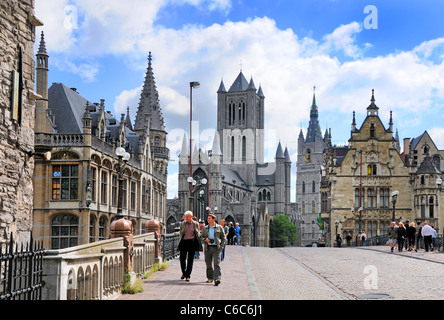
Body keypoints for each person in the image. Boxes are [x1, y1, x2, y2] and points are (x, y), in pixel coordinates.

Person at [201, 212, 226, 286]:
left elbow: (223, 238)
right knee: (208, 264)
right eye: (207, 218)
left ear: (214, 219)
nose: (208, 220)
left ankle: (217, 279)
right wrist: (205, 240)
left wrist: (221, 247)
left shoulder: (219, 227)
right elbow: (201, 237)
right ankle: (210, 278)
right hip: (208, 248)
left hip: (216, 248)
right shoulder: (205, 228)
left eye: (209, 218)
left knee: (216, 263)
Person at [177, 211, 202, 282]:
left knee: (190, 260)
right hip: (184, 242)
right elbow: (181, 232)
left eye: (187, 217)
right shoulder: (182, 224)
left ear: (191, 217)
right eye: (185, 217)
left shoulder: (195, 224)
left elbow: (197, 233)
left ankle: (188, 275)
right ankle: (184, 272)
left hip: (192, 242)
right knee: (182, 259)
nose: (186, 218)